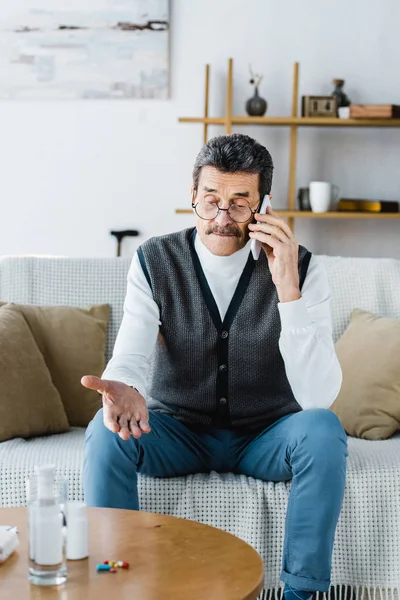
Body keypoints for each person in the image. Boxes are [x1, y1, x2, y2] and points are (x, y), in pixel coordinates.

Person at [82, 133, 348, 600]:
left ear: (263, 204)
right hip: (177, 431)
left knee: (324, 429)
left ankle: (301, 594)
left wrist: (287, 287)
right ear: (193, 197)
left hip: (266, 436)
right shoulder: (154, 260)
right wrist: (123, 385)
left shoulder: (303, 268)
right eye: (211, 201)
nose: (222, 219)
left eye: (240, 204)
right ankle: (116, 587)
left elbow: (317, 397)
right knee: (104, 431)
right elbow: (133, 348)